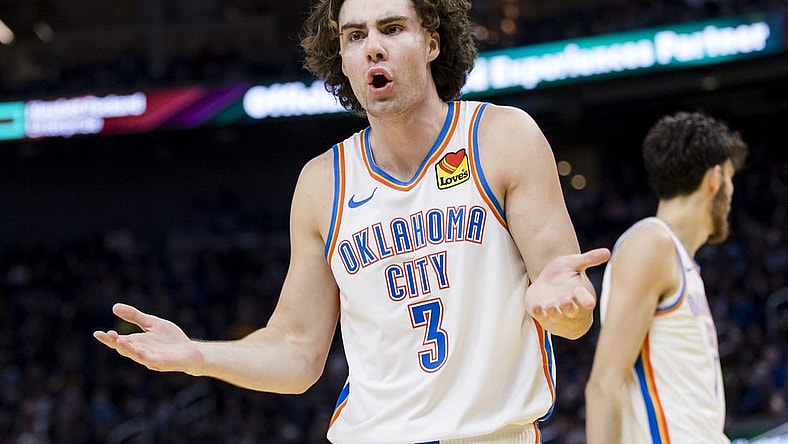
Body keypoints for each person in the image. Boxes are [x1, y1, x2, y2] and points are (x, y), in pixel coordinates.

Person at [94, 0, 610, 442]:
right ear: (341, 57)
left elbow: (571, 312)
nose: (373, 48)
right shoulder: (322, 183)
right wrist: (196, 356)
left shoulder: (503, 137)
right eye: (355, 36)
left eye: (392, 28)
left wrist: (563, 308)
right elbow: (296, 351)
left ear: (432, 42)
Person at [584, 111, 748, 443]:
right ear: (715, 178)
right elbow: (604, 384)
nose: (732, 193)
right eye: (731, 179)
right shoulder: (651, 243)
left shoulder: (680, 259)